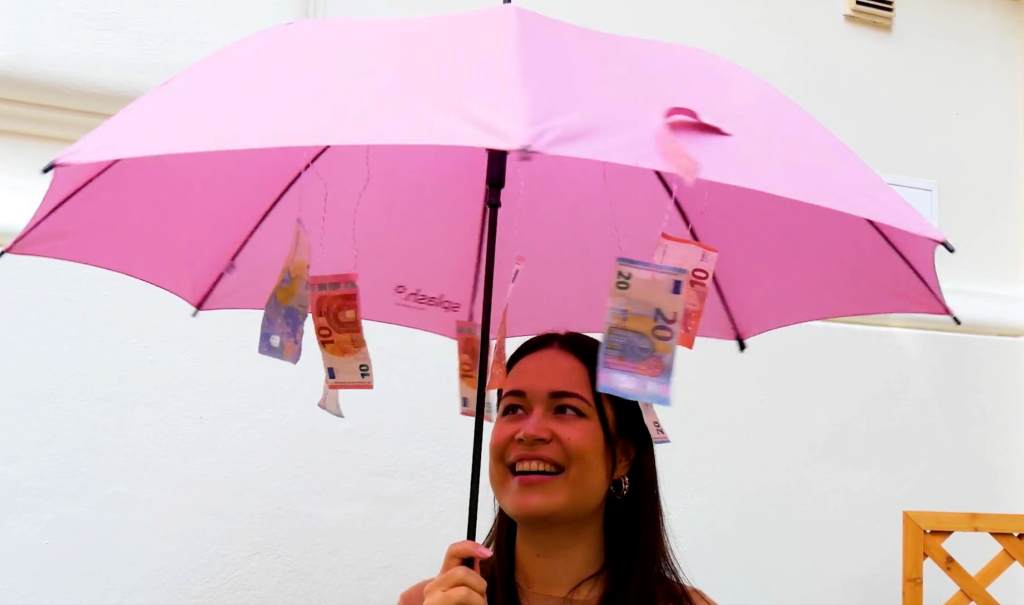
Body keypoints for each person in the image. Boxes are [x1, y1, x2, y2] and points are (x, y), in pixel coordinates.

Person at [399, 332, 714, 605]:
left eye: (566, 409)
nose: (530, 431)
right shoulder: (425, 601)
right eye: (513, 409)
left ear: (622, 456)